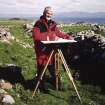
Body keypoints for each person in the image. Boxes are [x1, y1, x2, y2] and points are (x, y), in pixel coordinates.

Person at [32, 6, 73, 92]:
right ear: (44, 13)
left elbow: (58, 33)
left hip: (51, 50)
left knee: (53, 69)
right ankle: (41, 87)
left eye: (51, 14)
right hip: (42, 50)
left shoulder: (53, 24)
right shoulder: (38, 23)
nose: (49, 15)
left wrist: (67, 37)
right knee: (41, 69)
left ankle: (57, 85)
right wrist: (50, 36)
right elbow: (36, 36)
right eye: (48, 13)